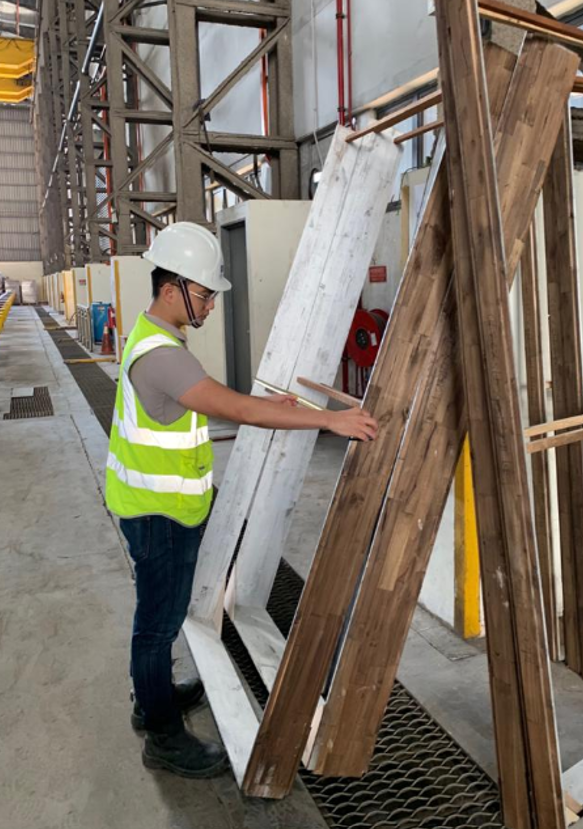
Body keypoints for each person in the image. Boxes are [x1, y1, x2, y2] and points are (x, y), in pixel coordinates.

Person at [105, 221, 378, 779]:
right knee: (156, 627)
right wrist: (329, 420)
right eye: (204, 294)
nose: (208, 306)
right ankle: (160, 735)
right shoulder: (163, 356)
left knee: (157, 619)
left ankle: (150, 698)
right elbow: (239, 410)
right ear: (171, 288)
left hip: (156, 507)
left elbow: (215, 405)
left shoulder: (155, 338)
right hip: (158, 516)